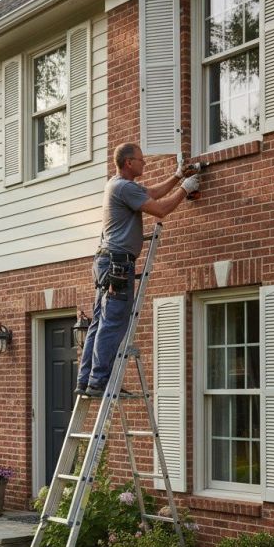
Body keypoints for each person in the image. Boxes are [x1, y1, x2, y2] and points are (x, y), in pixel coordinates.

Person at [76, 143, 200, 397]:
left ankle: (86, 379)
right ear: (129, 162)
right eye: (141, 160)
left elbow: (152, 193)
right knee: (113, 322)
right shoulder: (123, 187)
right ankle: (98, 381)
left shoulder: (118, 185)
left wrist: (177, 176)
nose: (145, 163)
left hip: (106, 261)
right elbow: (160, 209)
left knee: (99, 322)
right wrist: (185, 190)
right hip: (118, 264)